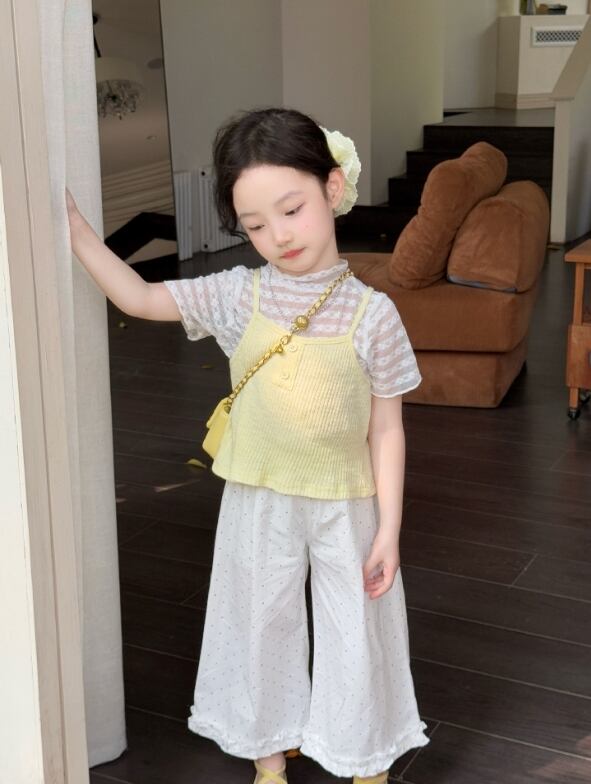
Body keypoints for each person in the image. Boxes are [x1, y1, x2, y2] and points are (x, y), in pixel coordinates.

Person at [66, 106, 430, 784]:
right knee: (260, 625)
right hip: (258, 498)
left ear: (331, 188)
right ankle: (269, 753)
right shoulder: (239, 296)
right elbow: (140, 298)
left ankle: (363, 754)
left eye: (291, 210)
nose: (278, 236)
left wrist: (390, 527)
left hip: (347, 500)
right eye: (255, 225)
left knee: (358, 627)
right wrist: (76, 230)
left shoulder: (373, 313)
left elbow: (387, 427)